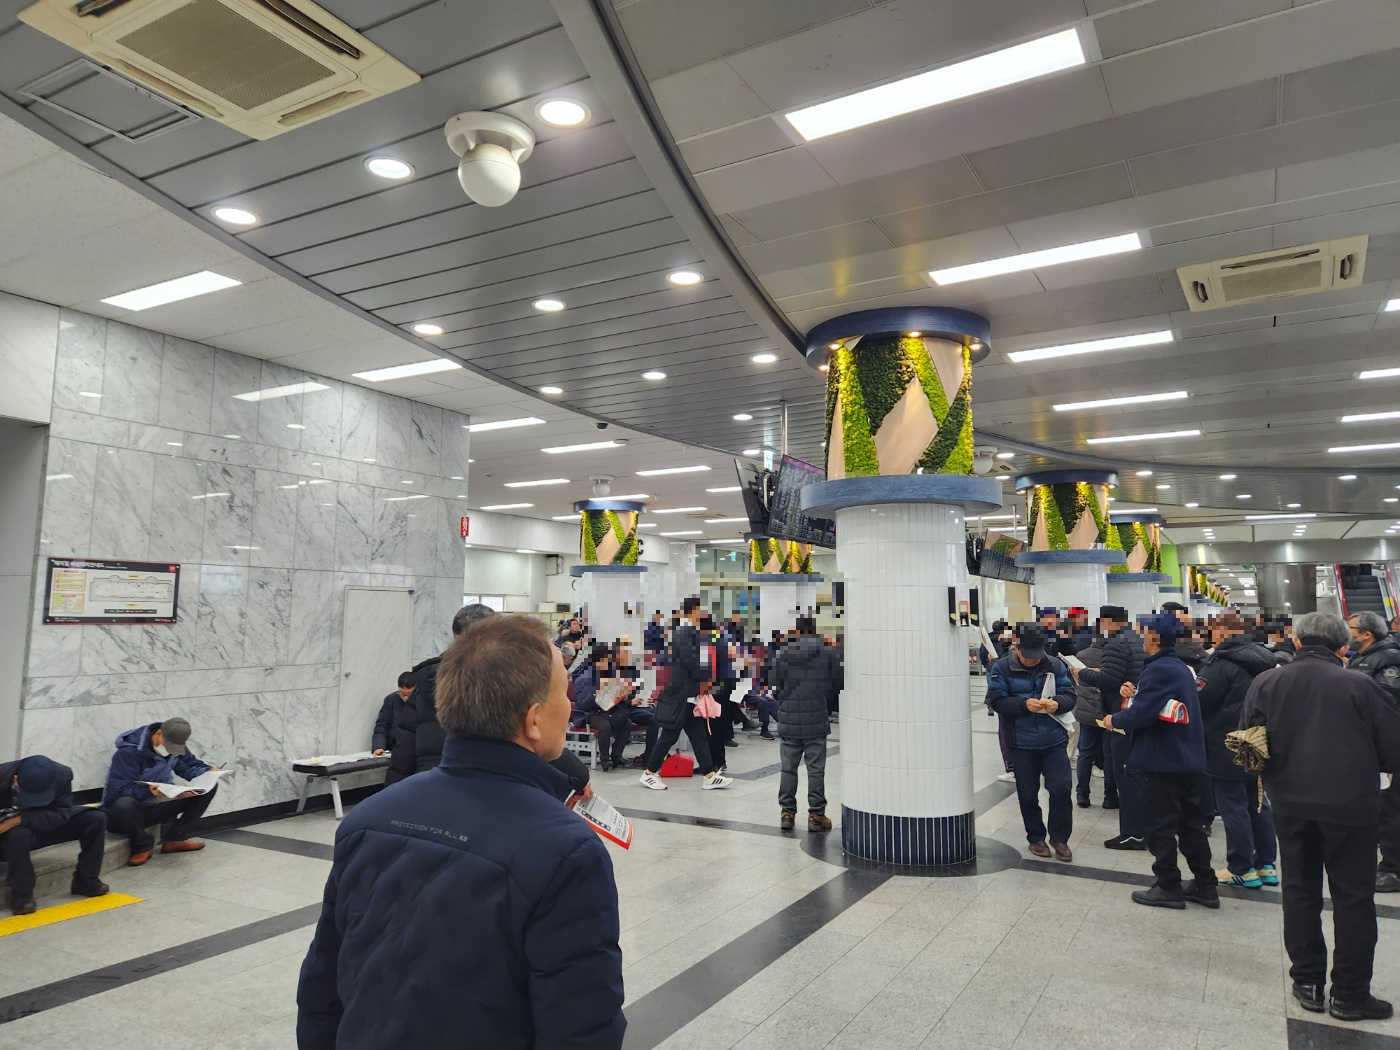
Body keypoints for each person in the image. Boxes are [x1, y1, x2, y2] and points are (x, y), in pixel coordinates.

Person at [297, 615, 625, 1050]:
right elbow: (580, 1026)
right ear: (533, 720)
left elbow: (321, 987)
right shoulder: (566, 851)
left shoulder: (367, 819)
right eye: (562, 692)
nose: (568, 705)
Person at [1241, 611, 1400, 1022]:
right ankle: (1350, 993)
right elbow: (1392, 750)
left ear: (1297, 641)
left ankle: (1307, 982)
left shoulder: (1266, 682)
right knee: (1353, 898)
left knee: (1299, 891)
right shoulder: (1361, 685)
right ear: (1343, 646)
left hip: (1290, 804)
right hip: (1351, 808)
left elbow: (1248, 742)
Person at [1106, 613, 1216, 910]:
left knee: (1160, 826)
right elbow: (1161, 705)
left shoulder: (1159, 669)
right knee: (1191, 826)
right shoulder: (1178, 667)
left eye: (1144, 632)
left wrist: (1115, 719)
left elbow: (1142, 714)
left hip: (1163, 761)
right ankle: (1206, 886)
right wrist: (1137, 694)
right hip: (1188, 759)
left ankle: (1168, 886)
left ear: (1155, 637)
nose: (1141, 636)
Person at [1196, 613, 1278, 889]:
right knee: (1258, 803)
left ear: (1222, 631)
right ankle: (1266, 864)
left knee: (1233, 806)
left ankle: (1241, 868)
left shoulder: (1221, 663)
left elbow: (1200, 700)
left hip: (1227, 742)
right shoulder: (1267, 660)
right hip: (1258, 741)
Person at [986, 624, 1076, 861]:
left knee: (1061, 789)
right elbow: (997, 701)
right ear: (1016, 647)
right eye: (1028, 655)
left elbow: (1070, 695)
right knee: (1027, 794)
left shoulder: (1054, 665)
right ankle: (1036, 838)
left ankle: (1060, 839)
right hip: (1021, 742)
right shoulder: (1001, 668)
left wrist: (1058, 703)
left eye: (1037, 655)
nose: (1034, 660)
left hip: (1054, 739)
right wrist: (1024, 705)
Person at [387, 603, 497, 783]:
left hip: (430, 780)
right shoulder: (507, 681)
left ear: (454, 636)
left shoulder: (427, 678)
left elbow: (405, 743)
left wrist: (393, 790)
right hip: (486, 782)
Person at [1073, 605, 1147, 849]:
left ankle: (1132, 833)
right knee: (1135, 773)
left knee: (1124, 773)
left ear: (1107, 621)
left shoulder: (1115, 643)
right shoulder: (1138, 639)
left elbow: (1109, 680)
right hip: (1137, 712)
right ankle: (1140, 828)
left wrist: (1083, 673)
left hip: (1120, 714)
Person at [639, 597, 731, 791]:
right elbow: (691, 662)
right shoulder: (684, 632)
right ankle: (649, 773)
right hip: (680, 694)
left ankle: (709, 775)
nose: (703, 612)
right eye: (700, 609)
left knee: (698, 736)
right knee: (669, 736)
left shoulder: (689, 632)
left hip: (689, 693)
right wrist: (706, 675)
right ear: (693, 610)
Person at [1, 756, 109, 915]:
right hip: (8, 837)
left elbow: (61, 814)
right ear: (16, 779)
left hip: (42, 824)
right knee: (20, 834)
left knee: (95, 818)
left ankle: (86, 880)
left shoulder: (62, 776)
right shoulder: (2, 777)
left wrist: (20, 819)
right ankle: (22, 895)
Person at [102, 717, 217, 866]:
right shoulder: (128, 753)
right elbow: (118, 792)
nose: (169, 751)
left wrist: (208, 772)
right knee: (123, 805)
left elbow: (189, 767)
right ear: (159, 733)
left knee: (209, 787)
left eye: (174, 748)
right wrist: (148, 792)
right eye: (168, 746)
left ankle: (175, 838)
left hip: (157, 804)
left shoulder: (175, 747)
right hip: (127, 814)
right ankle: (142, 845)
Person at [772, 616, 842, 831]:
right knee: (816, 770)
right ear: (814, 630)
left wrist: (785, 702)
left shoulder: (783, 652)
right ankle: (816, 816)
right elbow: (837, 683)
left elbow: (774, 683)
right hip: (816, 719)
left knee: (788, 769)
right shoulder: (827, 652)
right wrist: (823, 703)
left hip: (789, 719)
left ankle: (787, 814)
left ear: (797, 631)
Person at [1348, 611, 1400, 893]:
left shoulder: (1388, 658)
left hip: (1388, 742)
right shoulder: (1361, 657)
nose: (1347, 633)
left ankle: (1393, 869)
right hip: (1368, 742)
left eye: (1351, 628)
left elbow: (1386, 699)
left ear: (1366, 634)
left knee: (1392, 806)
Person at [575, 644, 638, 772]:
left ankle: (617, 756)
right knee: (605, 726)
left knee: (626, 723)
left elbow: (612, 699)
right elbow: (581, 705)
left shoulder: (609, 678)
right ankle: (605, 758)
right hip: (591, 713)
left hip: (608, 710)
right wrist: (594, 695)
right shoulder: (583, 680)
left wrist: (621, 697)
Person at [1071, 632, 1116, 809]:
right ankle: (1110, 797)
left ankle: (1082, 794)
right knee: (1109, 755)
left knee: (1085, 753)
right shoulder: (1114, 657)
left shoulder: (1081, 655)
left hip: (1086, 711)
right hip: (1108, 712)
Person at [372, 672, 415, 756]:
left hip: (414, 749)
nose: (405, 696)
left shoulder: (421, 701)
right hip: (393, 748)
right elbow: (382, 726)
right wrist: (378, 746)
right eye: (402, 692)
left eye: (409, 693)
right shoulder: (391, 700)